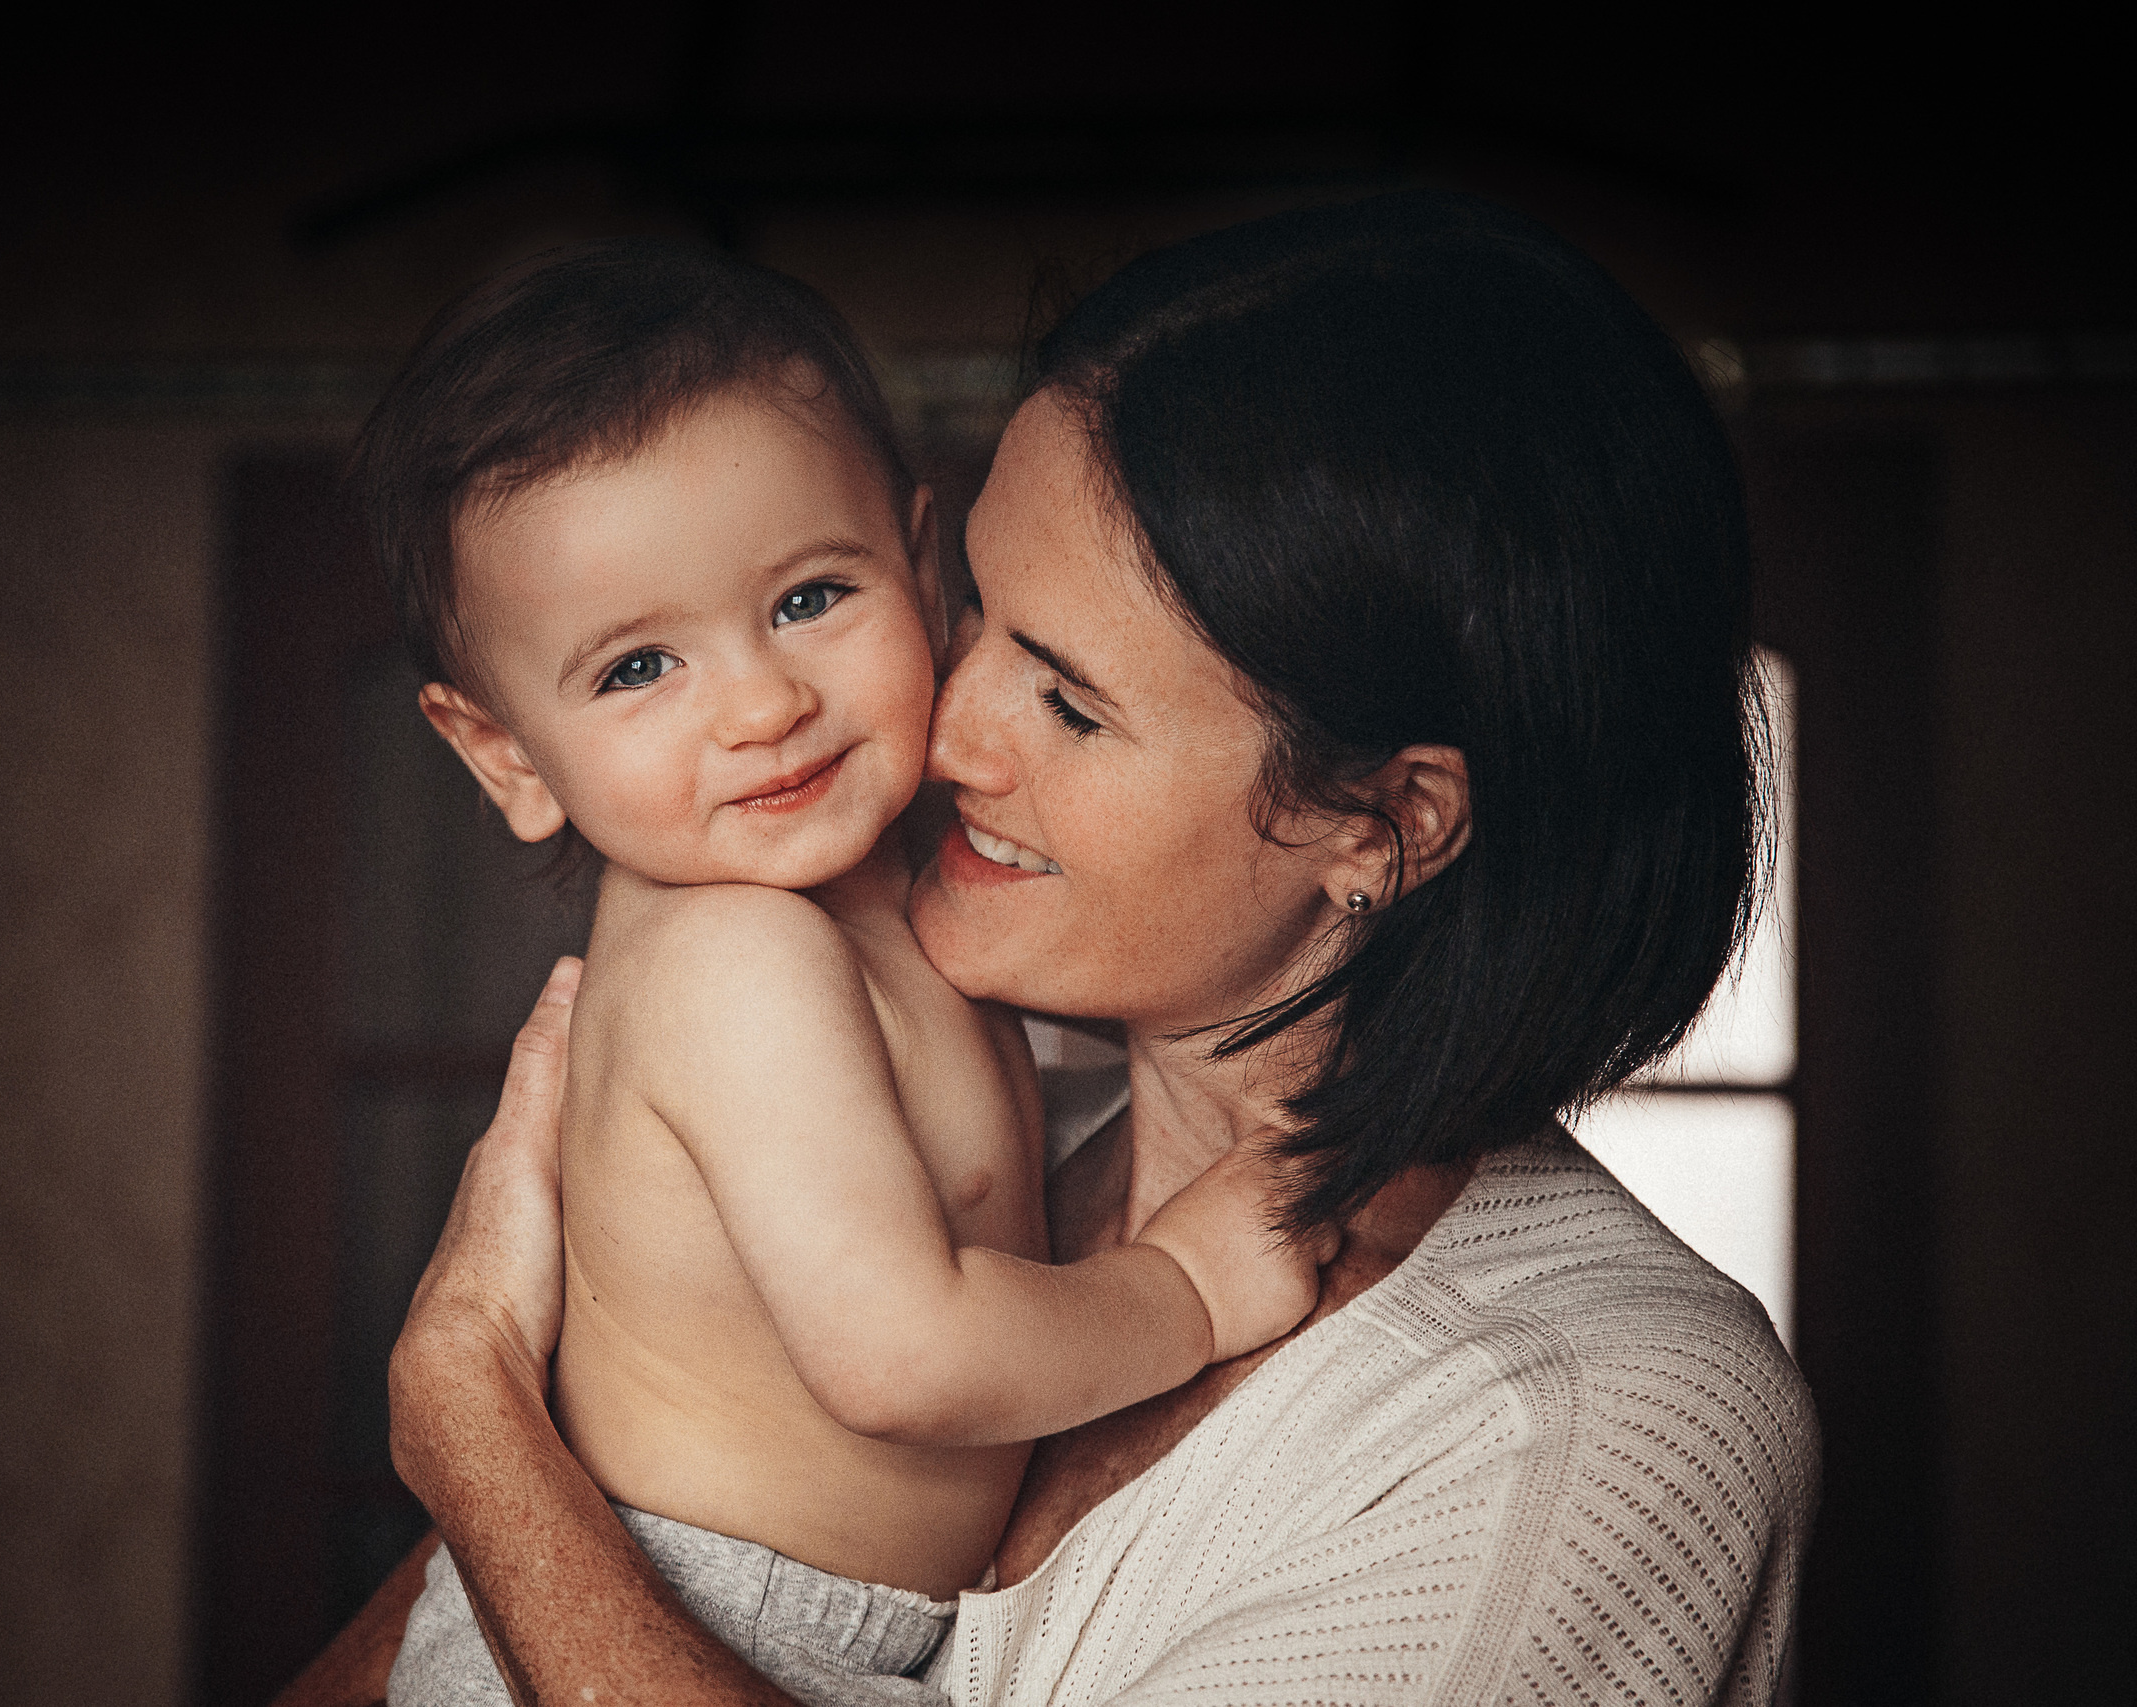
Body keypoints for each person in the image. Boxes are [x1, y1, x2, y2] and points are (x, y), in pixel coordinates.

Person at [301, 191, 1819, 1707]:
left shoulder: (1583, 1421)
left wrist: (474, 1422)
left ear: (1386, 822)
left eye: (1071, 702)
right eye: (977, 614)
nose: (945, 733)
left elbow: (551, 1538)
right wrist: (496, 1455)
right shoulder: (970, 1099)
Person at [348, 242, 1330, 1706]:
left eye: (809, 598)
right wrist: (1181, 1290)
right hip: (671, 1616)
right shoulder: (734, 958)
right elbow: (900, 1358)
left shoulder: (902, 899)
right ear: (505, 756)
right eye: (637, 668)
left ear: (923, 570)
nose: (762, 704)